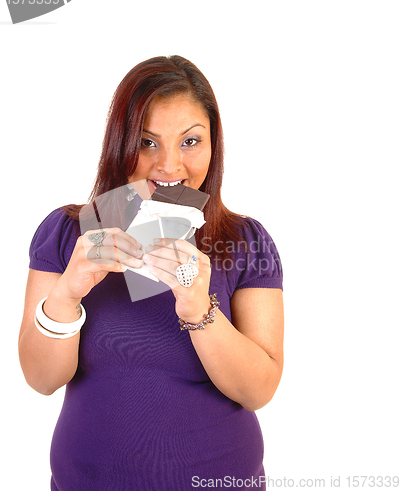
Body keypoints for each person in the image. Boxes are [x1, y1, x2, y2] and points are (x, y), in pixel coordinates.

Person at [19, 55, 284, 491]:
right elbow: (40, 379)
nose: (169, 166)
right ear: (119, 143)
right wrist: (66, 294)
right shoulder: (68, 232)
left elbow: (259, 392)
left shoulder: (246, 242)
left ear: (213, 144)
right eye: (147, 142)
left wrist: (199, 308)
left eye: (190, 141)